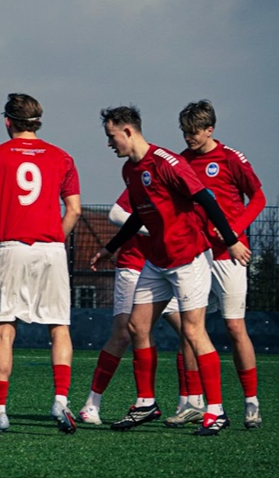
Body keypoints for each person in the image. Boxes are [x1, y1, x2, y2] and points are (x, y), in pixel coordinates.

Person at [91, 105, 250, 437]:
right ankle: (146, 402)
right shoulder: (130, 171)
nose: (109, 144)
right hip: (158, 260)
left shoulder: (167, 163)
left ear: (128, 131)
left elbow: (206, 199)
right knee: (137, 327)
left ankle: (216, 411)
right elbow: (139, 214)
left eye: (111, 136)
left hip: (189, 258)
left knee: (193, 333)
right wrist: (111, 247)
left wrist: (232, 240)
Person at [0, 93, 81, 435]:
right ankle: (61, 401)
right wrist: (54, 237)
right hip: (51, 248)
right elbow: (75, 210)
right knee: (59, 327)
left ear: (8, 121)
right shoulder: (62, 157)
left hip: (12, 247)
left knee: (5, 328)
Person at [178, 99, 265, 429]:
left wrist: (233, 234)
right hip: (195, 254)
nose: (188, 138)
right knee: (191, 327)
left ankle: (251, 402)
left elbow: (258, 197)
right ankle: (195, 402)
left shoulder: (230, 159)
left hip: (229, 254)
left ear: (209, 129)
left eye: (193, 133)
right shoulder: (182, 162)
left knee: (234, 326)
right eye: (184, 132)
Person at [78, 189, 185, 425]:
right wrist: (156, 229)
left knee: (190, 332)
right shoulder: (143, 181)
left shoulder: (184, 185)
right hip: (135, 265)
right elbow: (117, 214)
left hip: (171, 265)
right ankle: (92, 404)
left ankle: (187, 404)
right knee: (124, 333)